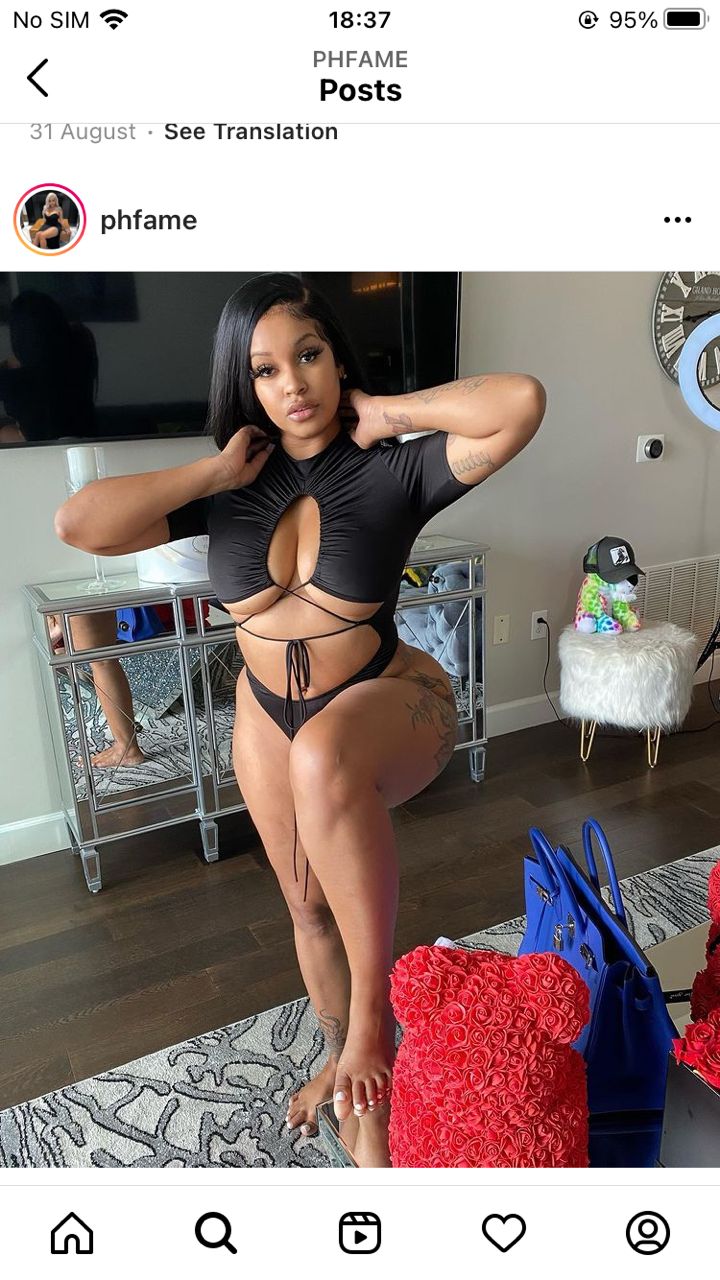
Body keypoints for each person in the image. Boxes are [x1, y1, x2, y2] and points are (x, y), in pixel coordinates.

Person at [54, 274, 546, 1166]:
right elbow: (78, 524)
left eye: (309, 355)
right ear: (244, 384)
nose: (293, 384)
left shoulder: (393, 468)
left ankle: (373, 1039)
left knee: (321, 757)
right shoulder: (229, 488)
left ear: (337, 359)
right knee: (306, 907)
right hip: (264, 711)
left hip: (385, 699)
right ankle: (340, 1062)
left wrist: (388, 414)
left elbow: (519, 402)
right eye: (266, 369)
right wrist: (214, 470)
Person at [0, 290, 98, 443]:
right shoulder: (81, 351)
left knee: (5, 434)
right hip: (84, 435)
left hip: (38, 442)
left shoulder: (16, 378)